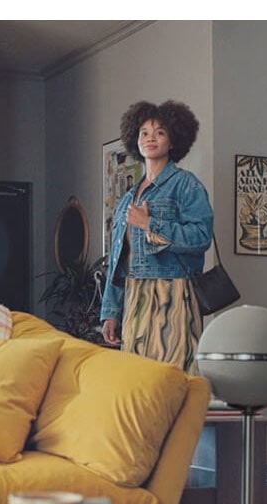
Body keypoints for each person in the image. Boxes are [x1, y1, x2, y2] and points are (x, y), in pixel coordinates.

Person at [99, 99, 215, 371]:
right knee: (137, 383)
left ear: (173, 141)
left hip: (172, 295)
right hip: (134, 297)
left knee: (173, 381)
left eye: (160, 132)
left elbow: (201, 237)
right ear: (135, 141)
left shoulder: (186, 185)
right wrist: (111, 313)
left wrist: (150, 223)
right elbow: (119, 261)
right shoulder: (128, 198)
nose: (150, 138)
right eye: (144, 133)